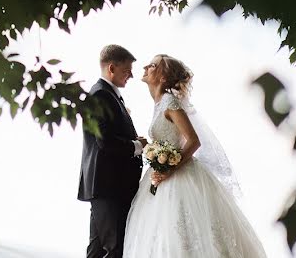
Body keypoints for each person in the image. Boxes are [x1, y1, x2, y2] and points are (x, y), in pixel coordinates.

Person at [123, 54, 267, 257]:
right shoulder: (158, 104)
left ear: (163, 77)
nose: (145, 67)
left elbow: (193, 140)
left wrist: (170, 168)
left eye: (152, 65)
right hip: (160, 177)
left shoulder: (169, 102)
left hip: (178, 177)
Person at [78, 44, 147, 258]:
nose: (132, 76)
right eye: (127, 71)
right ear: (111, 68)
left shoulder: (109, 95)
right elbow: (105, 142)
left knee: (97, 252)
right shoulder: (100, 95)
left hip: (107, 186)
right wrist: (138, 146)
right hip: (109, 187)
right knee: (115, 249)